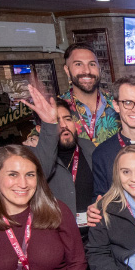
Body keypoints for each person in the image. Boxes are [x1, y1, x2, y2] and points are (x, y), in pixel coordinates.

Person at [25, 89, 96, 223]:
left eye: (67, 119)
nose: (64, 125)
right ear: (41, 129)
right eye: (56, 122)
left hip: (93, 232)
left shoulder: (88, 148)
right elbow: (41, 173)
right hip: (59, 233)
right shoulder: (34, 157)